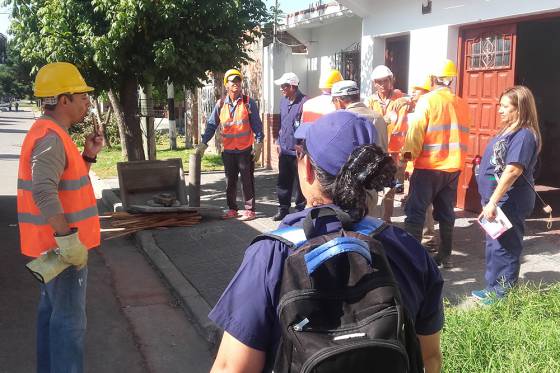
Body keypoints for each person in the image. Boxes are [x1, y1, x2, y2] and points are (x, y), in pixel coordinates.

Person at [209, 111, 444, 373]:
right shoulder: (408, 250)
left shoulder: (272, 254)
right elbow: (430, 359)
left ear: (307, 167)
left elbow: (232, 367)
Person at [17, 62, 103, 373]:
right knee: (69, 326)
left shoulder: (53, 134)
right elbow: (43, 192)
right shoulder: (51, 137)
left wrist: (88, 156)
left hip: (52, 248)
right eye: (81, 96)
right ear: (63, 99)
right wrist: (68, 242)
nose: (87, 102)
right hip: (61, 251)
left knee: (52, 318)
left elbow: (64, 185)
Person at [472, 85, 542, 303]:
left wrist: (492, 202)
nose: (499, 110)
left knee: (506, 247)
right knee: (495, 246)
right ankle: (493, 287)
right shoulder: (508, 130)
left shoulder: (524, 135)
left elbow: (513, 170)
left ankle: (503, 295)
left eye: (505, 106)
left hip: (509, 200)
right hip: (497, 199)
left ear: (519, 109)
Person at [402, 59, 470, 269]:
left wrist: (407, 157)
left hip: (429, 167)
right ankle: (445, 255)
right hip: (453, 167)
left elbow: (415, 132)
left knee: (416, 211)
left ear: (433, 79)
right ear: (452, 80)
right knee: (446, 212)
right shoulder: (462, 103)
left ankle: (411, 260)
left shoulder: (428, 100)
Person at [196, 68, 264, 221]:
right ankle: (232, 208)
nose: (236, 84)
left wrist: (259, 142)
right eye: (233, 81)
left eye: (238, 81)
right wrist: (203, 143)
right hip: (228, 151)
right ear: (226, 85)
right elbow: (212, 125)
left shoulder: (248, 103)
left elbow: (257, 125)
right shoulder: (220, 104)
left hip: (245, 150)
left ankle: (250, 210)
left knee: (247, 181)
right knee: (229, 182)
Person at [331, 79, 387, 218]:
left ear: (339, 100)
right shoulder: (378, 117)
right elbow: (384, 150)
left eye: (333, 102)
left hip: (345, 183)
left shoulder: (338, 119)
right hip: (371, 182)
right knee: (369, 225)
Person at [365, 65, 410, 221]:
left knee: (389, 188)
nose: (383, 85)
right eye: (379, 82)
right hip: (377, 150)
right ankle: (371, 219)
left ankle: (386, 220)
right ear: (374, 84)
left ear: (392, 81)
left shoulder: (401, 98)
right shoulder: (370, 101)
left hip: (396, 152)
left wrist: (407, 99)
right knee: (373, 186)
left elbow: (418, 101)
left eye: (386, 81)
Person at [272, 72, 308, 221]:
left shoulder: (305, 102)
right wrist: (278, 141)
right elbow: (282, 124)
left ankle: (300, 211)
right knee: (283, 181)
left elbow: (307, 126)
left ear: (293, 86)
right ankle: (283, 209)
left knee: (301, 184)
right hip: (285, 150)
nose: (281, 89)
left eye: (284, 86)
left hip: (298, 152)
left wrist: (303, 146)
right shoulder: (283, 101)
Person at [408, 77, 437, 251]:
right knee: (422, 206)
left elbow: (414, 139)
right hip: (420, 163)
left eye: (416, 90)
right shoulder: (415, 107)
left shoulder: (425, 108)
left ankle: (425, 241)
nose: (412, 93)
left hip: (425, 164)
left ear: (425, 93)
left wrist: (406, 157)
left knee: (422, 206)